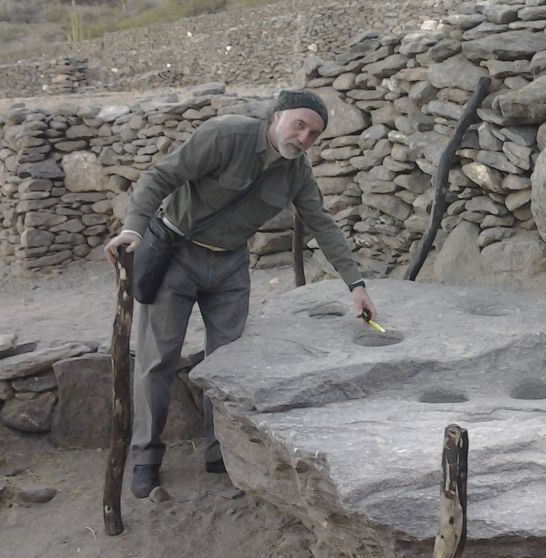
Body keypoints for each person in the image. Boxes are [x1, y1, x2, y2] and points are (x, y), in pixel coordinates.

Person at [104, 89, 376, 498]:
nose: (303, 139)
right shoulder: (225, 136)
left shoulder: (297, 172)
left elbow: (322, 223)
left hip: (230, 267)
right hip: (176, 255)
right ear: (277, 116)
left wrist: (356, 285)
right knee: (157, 359)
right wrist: (133, 228)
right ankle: (146, 458)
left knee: (228, 365)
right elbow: (160, 178)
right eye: (298, 125)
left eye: (314, 134)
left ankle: (222, 452)